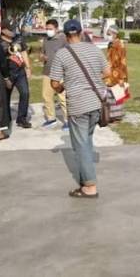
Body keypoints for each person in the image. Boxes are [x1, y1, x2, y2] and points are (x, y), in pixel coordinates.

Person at [49, 19, 110, 198]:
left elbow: (54, 83)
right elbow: (106, 73)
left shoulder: (62, 54)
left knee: (81, 145)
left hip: (78, 106)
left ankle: (90, 186)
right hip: (96, 103)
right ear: (82, 33)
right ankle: (85, 180)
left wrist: (62, 87)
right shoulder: (94, 49)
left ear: (66, 36)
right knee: (87, 140)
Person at [40, 19, 68, 129]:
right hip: (47, 72)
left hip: (61, 73)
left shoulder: (63, 39)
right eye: (47, 29)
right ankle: (51, 119)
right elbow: (42, 53)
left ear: (56, 29)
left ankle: (68, 120)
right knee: (46, 96)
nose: (48, 31)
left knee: (63, 97)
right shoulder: (46, 40)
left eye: (50, 29)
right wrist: (42, 57)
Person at [4, 30, 32, 129]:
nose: (10, 31)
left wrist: (28, 68)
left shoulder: (18, 38)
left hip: (20, 72)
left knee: (25, 93)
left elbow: (24, 52)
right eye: (8, 29)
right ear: (3, 30)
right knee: (5, 97)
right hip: (7, 73)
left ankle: (21, 119)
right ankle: (5, 119)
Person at [104, 25, 128, 122]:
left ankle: (117, 118)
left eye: (109, 34)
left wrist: (122, 77)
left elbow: (122, 62)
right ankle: (111, 116)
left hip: (118, 75)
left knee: (118, 96)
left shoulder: (120, 45)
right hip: (110, 75)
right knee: (110, 96)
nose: (107, 36)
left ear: (114, 34)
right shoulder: (110, 45)